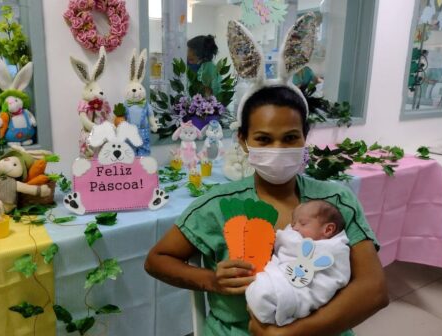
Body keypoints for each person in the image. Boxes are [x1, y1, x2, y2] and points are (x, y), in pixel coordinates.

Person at [144, 85, 388, 336]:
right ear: (243, 140)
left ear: (305, 135)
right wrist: (211, 280)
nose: (278, 148)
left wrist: (293, 333)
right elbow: (157, 260)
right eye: (263, 139)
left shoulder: (335, 201)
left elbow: (374, 289)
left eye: (291, 137)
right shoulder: (217, 206)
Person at [246, 200, 351, 327]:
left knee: (263, 292)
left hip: (297, 295)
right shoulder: (298, 235)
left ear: (328, 229)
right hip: (280, 279)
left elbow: (336, 275)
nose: (294, 228)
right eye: (293, 224)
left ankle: (282, 306)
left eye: (302, 223)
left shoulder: (336, 249)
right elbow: (282, 249)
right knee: (260, 290)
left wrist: (282, 236)